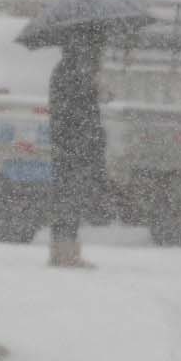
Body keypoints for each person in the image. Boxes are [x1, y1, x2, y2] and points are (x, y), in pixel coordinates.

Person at [46, 30, 106, 270]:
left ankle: (61, 250)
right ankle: (66, 252)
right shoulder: (76, 71)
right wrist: (95, 88)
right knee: (70, 196)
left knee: (66, 195)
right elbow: (80, 109)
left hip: (67, 142)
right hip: (76, 144)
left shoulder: (65, 68)